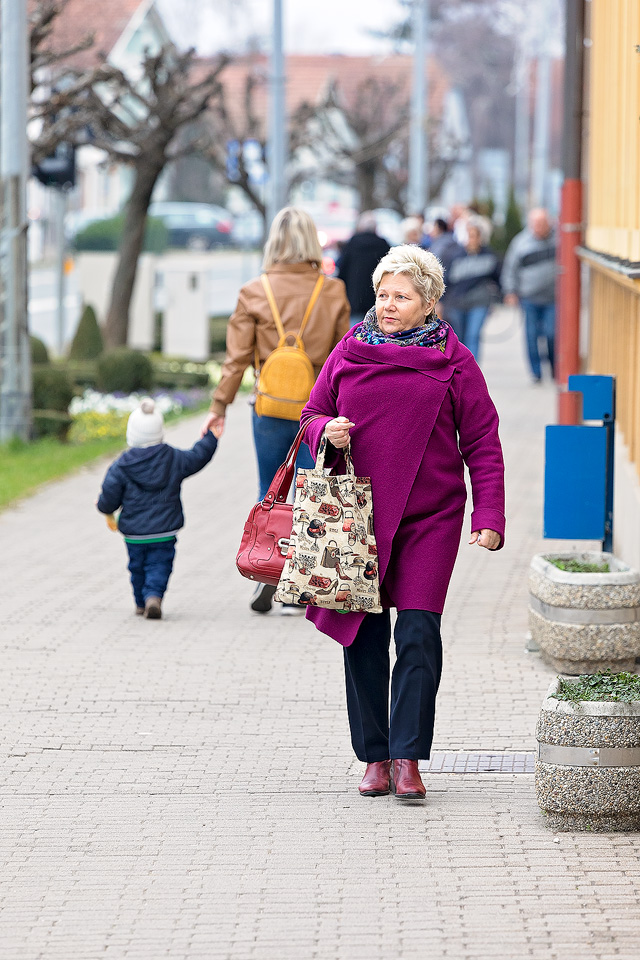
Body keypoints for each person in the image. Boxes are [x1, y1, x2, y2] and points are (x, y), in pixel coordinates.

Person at [300, 245, 505, 800]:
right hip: (357, 515)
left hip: (429, 517)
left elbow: (483, 441)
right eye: (383, 295)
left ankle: (408, 755)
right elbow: (311, 414)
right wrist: (327, 433)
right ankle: (375, 755)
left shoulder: (455, 361)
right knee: (364, 635)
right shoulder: (350, 350)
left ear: (430, 302)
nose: (389, 306)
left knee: (418, 632)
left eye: (403, 297)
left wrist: (489, 513)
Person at [200, 206, 350, 614]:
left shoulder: (253, 291)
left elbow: (235, 361)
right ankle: (304, 583)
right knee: (312, 495)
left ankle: (270, 568)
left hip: (268, 409)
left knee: (271, 492)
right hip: (318, 412)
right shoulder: (333, 292)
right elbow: (346, 360)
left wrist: (218, 408)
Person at [96, 398, 219, 620]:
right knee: (160, 565)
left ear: (131, 434)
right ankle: (154, 596)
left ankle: (141, 603)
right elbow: (197, 457)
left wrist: (104, 507)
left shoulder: (122, 465)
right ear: (159, 432)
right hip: (165, 530)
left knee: (137, 567)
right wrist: (211, 437)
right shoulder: (173, 457)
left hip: (134, 533)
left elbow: (110, 494)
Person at [501, 208, 557, 382]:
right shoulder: (521, 242)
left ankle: (555, 368)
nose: (539, 227)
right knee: (531, 336)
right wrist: (510, 291)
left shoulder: (558, 240)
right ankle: (536, 373)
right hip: (529, 297)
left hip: (553, 298)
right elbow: (510, 268)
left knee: (551, 334)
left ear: (549, 223)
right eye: (535, 224)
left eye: (542, 224)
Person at [446, 214, 501, 362]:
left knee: (473, 335)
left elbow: (498, 278)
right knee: (459, 338)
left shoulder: (489, 255)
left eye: (475, 236)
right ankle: (460, 368)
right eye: (469, 235)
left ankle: (472, 369)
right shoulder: (454, 255)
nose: (472, 239)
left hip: (479, 301)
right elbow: (446, 281)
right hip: (457, 302)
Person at [337, 211, 390, 327]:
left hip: (354, 299)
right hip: (376, 300)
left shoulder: (352, 244)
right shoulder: (383, 245)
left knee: (354, 334)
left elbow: (341, 271)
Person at [428, 217, 465, 322]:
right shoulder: (454, 242)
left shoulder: (440, 246)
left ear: (439, 228)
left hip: (445, 293)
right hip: (457, 291)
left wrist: (437, 297)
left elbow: (437, 271)